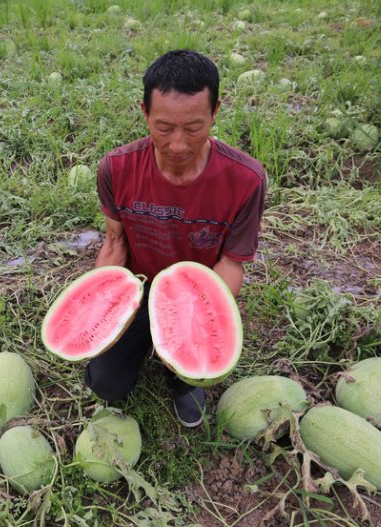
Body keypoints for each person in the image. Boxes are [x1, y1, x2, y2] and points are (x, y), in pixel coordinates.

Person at [85, 50, 266, 427]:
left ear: (216, 111)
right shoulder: (116, 169)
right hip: (139, 288)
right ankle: (143, 342)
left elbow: (231, 264)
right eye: (164, 128)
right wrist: (100, 309)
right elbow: (115, 244)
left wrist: (196, 319)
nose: (179, 144)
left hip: (196, 295)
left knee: (193, 370)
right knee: (105, 384)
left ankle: (183, 375)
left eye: (194, 127)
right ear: (145, 113)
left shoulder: (246, 179)